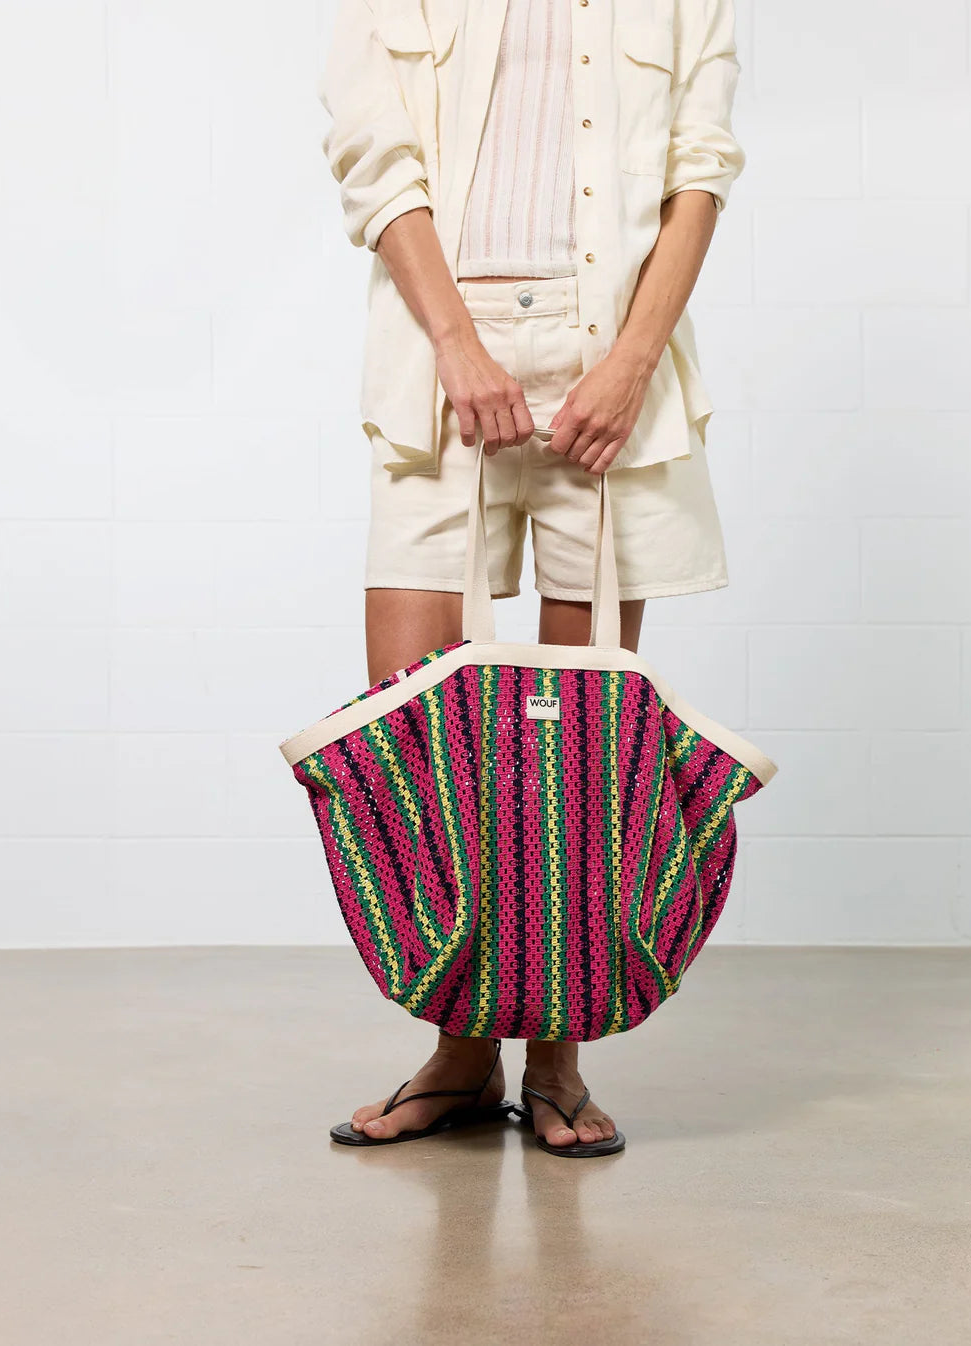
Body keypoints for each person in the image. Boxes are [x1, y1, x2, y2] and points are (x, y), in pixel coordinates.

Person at [318, 0, 746, 1155]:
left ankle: (555, 1054)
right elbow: (372, 152)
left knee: (579, 755)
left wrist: (631, 365)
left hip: (609, 364)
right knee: (415, 740)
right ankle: (461, 1053)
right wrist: (457, 343)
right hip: (437, 357)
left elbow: (699, 171)